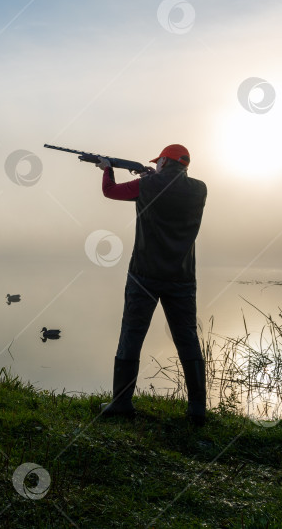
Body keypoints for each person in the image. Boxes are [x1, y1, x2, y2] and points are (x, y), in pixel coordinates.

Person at [97, 144, 208, 426]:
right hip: (182, 277)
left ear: (163, 162)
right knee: (187, 339)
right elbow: (167, 191)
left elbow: (110, 191)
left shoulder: (147, 185)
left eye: (158, 162)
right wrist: (149, 177)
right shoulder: (199, 189)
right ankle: (197, 409)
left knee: (132, 336)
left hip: (144, 275)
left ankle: (121, 402)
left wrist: (107, 168)